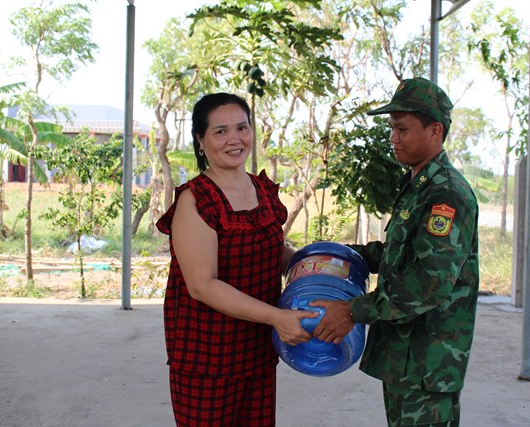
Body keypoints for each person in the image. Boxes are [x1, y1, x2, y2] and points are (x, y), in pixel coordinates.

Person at [311, 77, 480, 427]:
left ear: (435, 131)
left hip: (426, 361)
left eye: (402, 128)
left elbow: (427, 283)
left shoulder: (446, 194)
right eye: (392, 128)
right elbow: (395, 254)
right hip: (405, 358)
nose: (393, 137)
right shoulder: (420, 185)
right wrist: (333, 256)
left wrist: (353, 311)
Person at [156, 92, 316, 427]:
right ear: (200, 141)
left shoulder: (262, 190)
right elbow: (202, 285)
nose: (235, 139)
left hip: (258, 352)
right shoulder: (195, 200)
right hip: (208, 357)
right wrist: (276, 316)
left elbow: (273, 253)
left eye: (242, 128)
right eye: (220, 131)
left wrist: (315, 268)